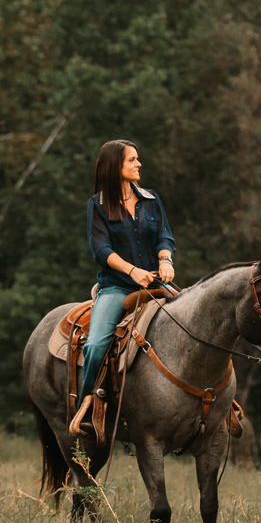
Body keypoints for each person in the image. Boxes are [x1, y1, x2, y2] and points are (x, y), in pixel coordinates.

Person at [71, 139, 176, 435]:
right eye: (132, 160)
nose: (138, 164)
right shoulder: (98, 206)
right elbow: (101, 250)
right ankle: (87, 408)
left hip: (155, 285)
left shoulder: (151, 199)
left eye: (137, 159)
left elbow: (164, 237)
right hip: (117, 288)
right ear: (115, 166)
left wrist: (165, 261)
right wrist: (133, 271)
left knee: (196, 322)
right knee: (94, 345)